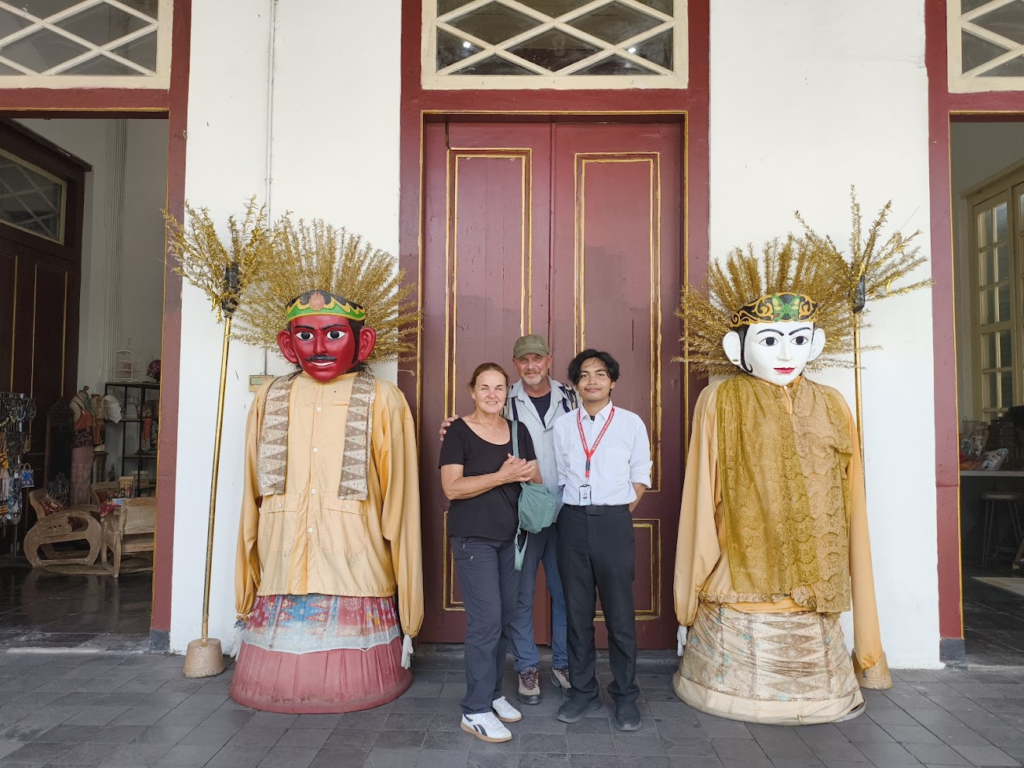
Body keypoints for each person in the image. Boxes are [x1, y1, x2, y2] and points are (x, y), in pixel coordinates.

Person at [673, 248, 891, 725]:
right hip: (742, 570)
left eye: (799, 339)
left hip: (816, 576)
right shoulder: (720, 400)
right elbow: (702, 493)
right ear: (737, 349)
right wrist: (688, 598)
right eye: (770, 340)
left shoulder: (832, 403)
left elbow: (851, 497)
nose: (787, 354)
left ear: (816, 343)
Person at [232, 289, 423, 713]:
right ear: (287, 345)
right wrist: (244, 590)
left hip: (356, 559)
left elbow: (401, 501)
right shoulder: (270, 398)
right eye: (305, 335)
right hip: (282, 559)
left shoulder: (383, 398)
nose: (318, 347)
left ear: (363, 342)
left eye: (334, 334)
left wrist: (411, 613)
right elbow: (252, 492)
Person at [440, 334, 574, 705]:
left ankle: (563, 663)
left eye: (537, 358)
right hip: (521, 519)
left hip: (565, 509)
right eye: (523, 360)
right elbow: (468, 442)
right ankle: (526, 667)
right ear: (516, 364)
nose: (531, 365)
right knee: (518, 599)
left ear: (549, 360)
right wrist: (452, 432)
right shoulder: (502, 400)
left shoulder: (573, 397)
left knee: (566, 594)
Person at [440, 363, 543, 743]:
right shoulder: (458, 432)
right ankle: (475, 710)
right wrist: (502, 475)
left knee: (503, 619)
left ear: (506, 393)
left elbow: (536, 478)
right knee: (485, 623)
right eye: (484, 387)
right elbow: (452, 488)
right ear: (472, 391)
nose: (492, 394)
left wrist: (524, 472)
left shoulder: (518, 431)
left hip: (511, 540)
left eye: (499, 388)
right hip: (474, 540)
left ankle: (493, 694)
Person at [552, 349, 652, 732]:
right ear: (576, 384)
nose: (591, 381)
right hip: (572, 523)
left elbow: (640, 474)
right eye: (583, 375)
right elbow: (562, 475)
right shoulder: (564, 426)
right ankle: (583, 691)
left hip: (613, 522)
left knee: (619, 615)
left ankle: (625, 695)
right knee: (577, 614)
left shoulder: (630, 424)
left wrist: (614, 511)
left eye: (600, 374)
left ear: (612, 382)